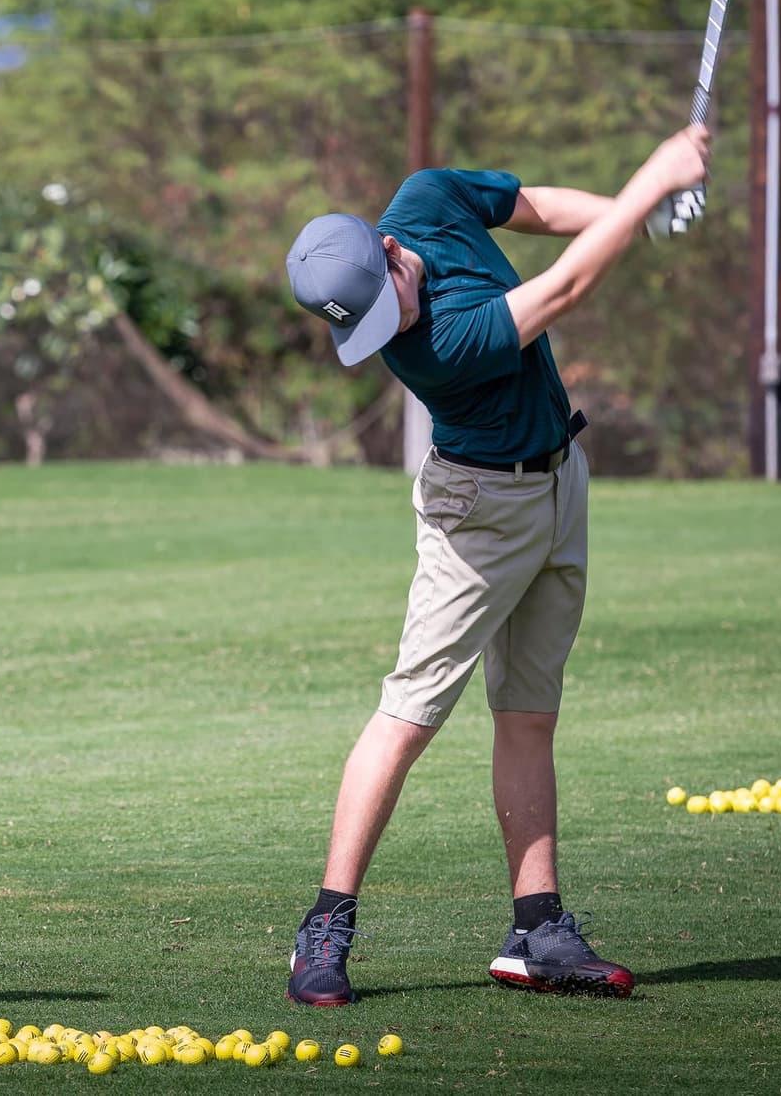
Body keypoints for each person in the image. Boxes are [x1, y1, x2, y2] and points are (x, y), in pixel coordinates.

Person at [278, 123, 711, 1007]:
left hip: (558, 486)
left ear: (392, 250)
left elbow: (540, 210)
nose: (377, 336)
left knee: (528, 713)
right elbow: (568, 284)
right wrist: (650, 180)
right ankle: (325, 925)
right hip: (479, 514)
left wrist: (647, 215)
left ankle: (536, 931)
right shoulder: (430, 348)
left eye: (377, 308)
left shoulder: (429, 196)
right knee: (411, 711)